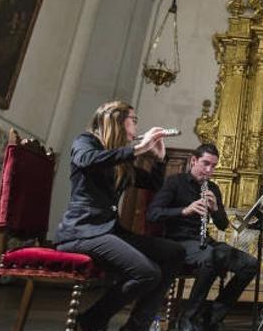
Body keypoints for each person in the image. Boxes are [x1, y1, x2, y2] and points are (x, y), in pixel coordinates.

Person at [55, 101, 187, 331]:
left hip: (108, 231)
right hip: (81, 232)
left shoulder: (121, 161)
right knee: (147, 273)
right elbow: (88, 160)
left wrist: (158, 159)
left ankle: (136, 326)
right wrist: (138, 148)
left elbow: (153, 184)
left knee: (175, 252)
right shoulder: (85, 141)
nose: (137, 127)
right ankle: (92, 319)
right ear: (116, 120)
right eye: (133, 120)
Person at [146, 143, 258, 331]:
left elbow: (222, 225)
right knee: (211, 257)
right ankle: (188, 317)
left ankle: (211, 315)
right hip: (178, 241)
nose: (209, 170)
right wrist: (184, 210)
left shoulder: (213, 188)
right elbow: (153, 214)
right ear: (193, 161)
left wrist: (215, 209)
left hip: (204, 242)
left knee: (250, 264)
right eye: (205, 164)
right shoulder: (175, 182)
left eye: (213, 166)